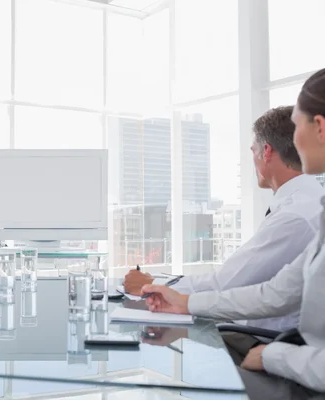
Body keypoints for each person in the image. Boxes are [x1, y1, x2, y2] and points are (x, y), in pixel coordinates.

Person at [139, 68, 325, 398]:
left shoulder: (300, 212)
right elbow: (277, 292)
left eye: (297, 125)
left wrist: (273, 357)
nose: (294, 142)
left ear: (319, 127)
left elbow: (238, 284)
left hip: (297, 365)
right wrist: (184, 302)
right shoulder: (319, 209)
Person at [125, 106, 325, 333]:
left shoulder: (295, 215)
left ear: (266, 151)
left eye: (253, 150)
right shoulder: (304, 203)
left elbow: (226, 284)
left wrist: (151, 286)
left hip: (261, 339)